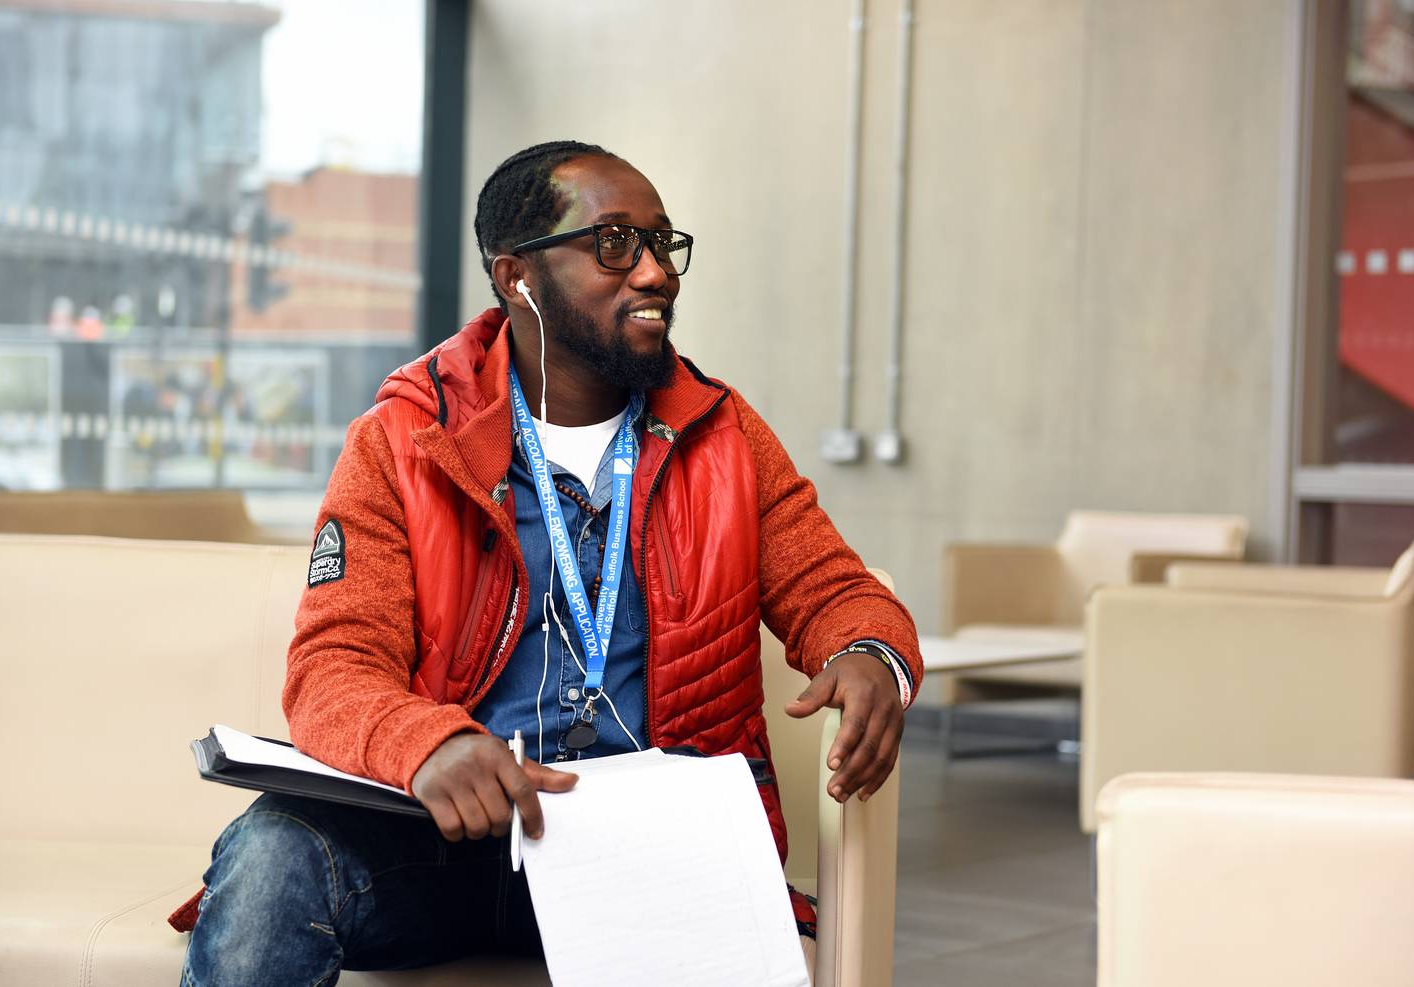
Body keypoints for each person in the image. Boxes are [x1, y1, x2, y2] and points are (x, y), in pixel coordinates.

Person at [177, 140, 922, 986]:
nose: (655, 273)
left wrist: (870, 653)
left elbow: (838, 592)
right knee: (274, 849)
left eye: (662, 243)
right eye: (613, 242)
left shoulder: (723, 436)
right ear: (516, 277)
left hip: (649, 846)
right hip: (449, 837)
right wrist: (431, 742)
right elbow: (333, 668)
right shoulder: (402, 441)